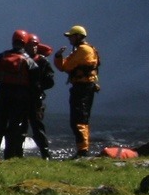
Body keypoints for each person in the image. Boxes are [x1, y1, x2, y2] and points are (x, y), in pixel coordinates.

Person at [0, 31, 38, 160]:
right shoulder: (28, 60)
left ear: (13, 41)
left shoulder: (1, 57)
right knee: (13, 128)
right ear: (25, 43)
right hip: (20, 98)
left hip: (2, 95)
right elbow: (35, 83)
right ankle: (9, 157)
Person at [53, 25, 100, 158]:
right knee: (80, 119)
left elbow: (66, 66)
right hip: (83, 87)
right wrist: (58, 56)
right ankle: (82, 150)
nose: (69, 39)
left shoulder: (83, 50)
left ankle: (83, 151)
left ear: (78, 36)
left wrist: (60, 58)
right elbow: (64, 66)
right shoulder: (82, 49)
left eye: (71, 36)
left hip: (83, 88)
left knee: (79, 119)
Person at [24, 34, 57, 159]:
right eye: (30, 45)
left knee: (38, 128)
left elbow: (50, 81)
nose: (33, 48)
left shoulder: (42, 61)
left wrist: (38, 86)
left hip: (36, 99)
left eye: (35, 45)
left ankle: (45, 154)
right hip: (21, 98)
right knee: (20, 127)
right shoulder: (21, 59)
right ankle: (17, 154)